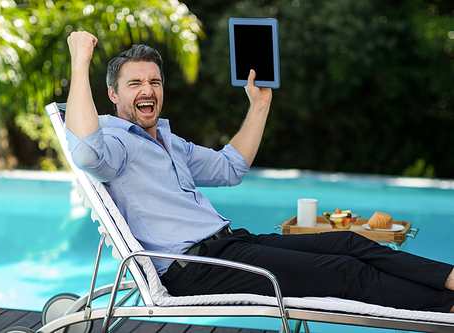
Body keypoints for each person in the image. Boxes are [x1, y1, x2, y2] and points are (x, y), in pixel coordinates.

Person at [64, 31, 454, 313]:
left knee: (348, 242)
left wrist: (260, 104)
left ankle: (450, 278)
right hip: (196, 270)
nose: (147, 89)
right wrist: (80, 59)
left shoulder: (168, 140)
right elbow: (84, 151)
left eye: (154, 81)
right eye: (134, 83)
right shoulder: (113, 142)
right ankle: (446, 307)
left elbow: (231, 168)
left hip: (230, 247)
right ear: (113, 95)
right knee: (344, 272)